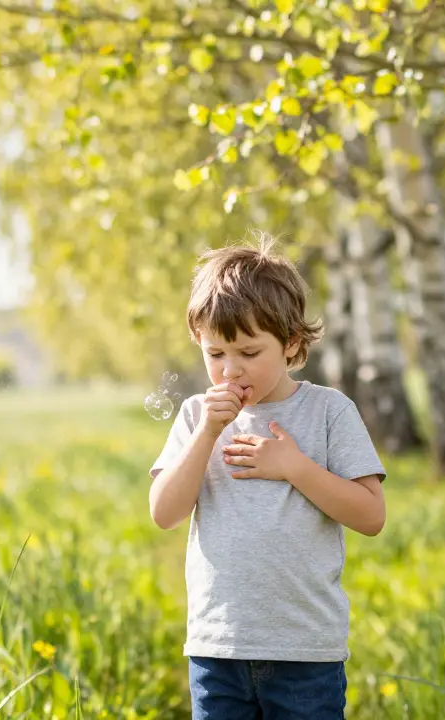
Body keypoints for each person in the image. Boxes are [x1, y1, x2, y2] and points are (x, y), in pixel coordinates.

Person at [148, 232, 388, 719]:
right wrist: (208, 435)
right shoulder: (198, 415)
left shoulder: (327, 411)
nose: (229, 371)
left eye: (249, 353)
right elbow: (164, 512)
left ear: (291, 342)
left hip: (304, 651)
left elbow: (370, 516)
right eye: (215, 354)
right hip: (218, 647)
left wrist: (294, 467)